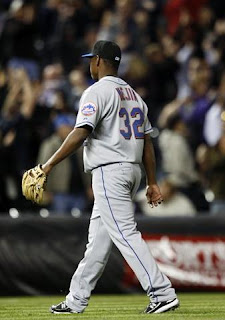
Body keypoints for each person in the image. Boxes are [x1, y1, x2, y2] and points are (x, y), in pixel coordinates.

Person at [40, 40, 179, 314]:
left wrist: (47, 165)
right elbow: (147, 142)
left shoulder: (96, 92)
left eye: (92, 59)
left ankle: (162, 293)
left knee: (125, 233)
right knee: (98, 242)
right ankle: (75, 300)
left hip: (110, 170)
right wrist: (151, 181)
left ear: (100, 61)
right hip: (131, 170)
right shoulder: (134, 95)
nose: (90, 63)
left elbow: (81, 131)